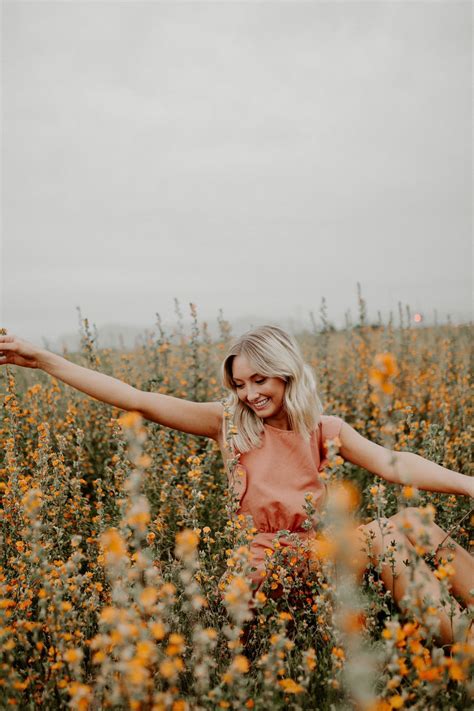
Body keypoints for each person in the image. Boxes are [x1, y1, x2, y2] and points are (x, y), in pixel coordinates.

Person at [0, 326, 472, 645]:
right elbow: (134, 397)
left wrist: (469, 484)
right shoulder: (229, 423)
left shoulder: (325, 429)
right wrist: (43, 360)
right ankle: (462, 644)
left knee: (414, 521)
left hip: (320, 553)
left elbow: (395, 464)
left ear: (287, 373)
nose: (250, 394)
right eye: (240, 383)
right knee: (386, 534)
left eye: (259, 379)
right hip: (267, 563)